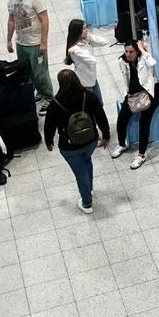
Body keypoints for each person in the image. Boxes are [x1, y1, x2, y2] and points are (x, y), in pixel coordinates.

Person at [44, 69, 111, 214]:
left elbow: (49, 125)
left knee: (80, 172)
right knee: (87, 161)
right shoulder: (88, 96)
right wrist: (106, 135)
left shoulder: (55, 104)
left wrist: (48, 141)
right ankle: (90, 189)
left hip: (70, 147)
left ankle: (86, 203)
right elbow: (101, 116)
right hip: (91, 140)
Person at [110, 39, 159, 169]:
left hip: (150, 92)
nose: (128, 54)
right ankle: (121, 144)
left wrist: (143, 50)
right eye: (126, 51)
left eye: (131, 51)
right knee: (122, 118)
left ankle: (141, 154)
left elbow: (152, 63)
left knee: (145, 122)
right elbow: (126, 80)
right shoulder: (122, 61)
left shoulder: (144, 58)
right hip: (134, 94)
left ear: (137, 51)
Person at [6, 0, 53, 110]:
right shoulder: (11, 1)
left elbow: (44, 20)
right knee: (27, 72)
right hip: (21, 43)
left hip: (35, 43)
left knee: (40, 72)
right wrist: (9, 40)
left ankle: (49, 97)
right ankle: (39, 92)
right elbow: (11, 20)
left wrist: (43, 42)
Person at [65, 19, 108, 102]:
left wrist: (90, 37)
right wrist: (77, 50)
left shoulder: (86, 41)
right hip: (84, 83)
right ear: (78, 31)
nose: (87, 30)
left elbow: (105, 42)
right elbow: (92, 61)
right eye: (84, 29)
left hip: (92, 79)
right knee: (92, 107)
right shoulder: (74, 49)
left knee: (100, 104)